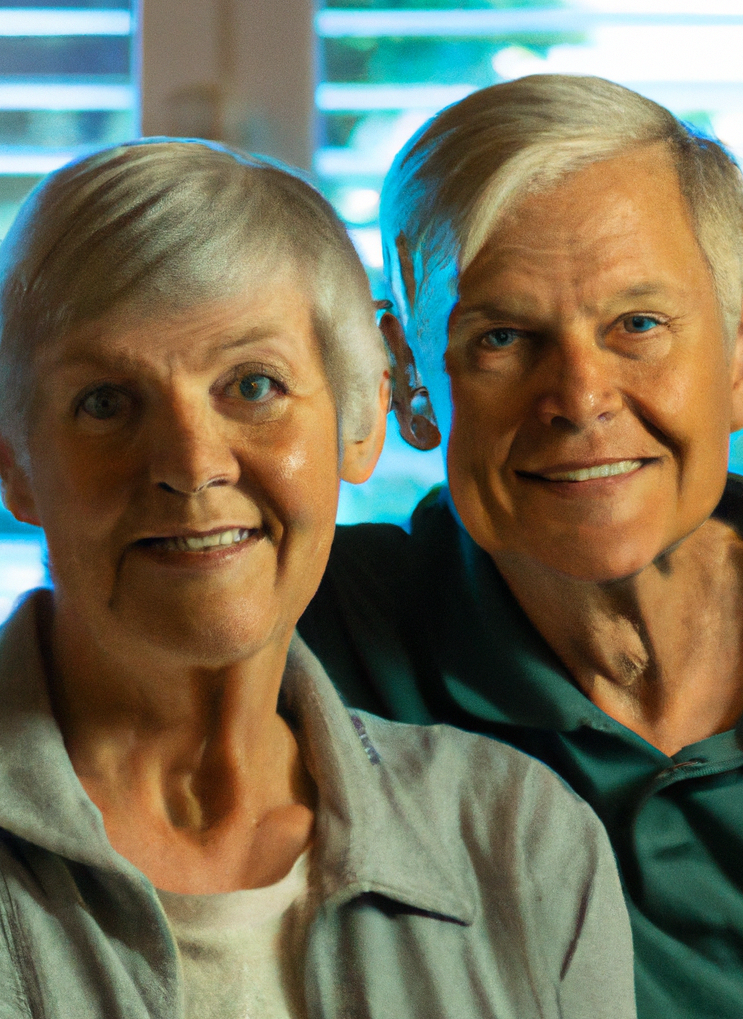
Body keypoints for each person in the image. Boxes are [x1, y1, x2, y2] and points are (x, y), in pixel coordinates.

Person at [298, 74, 743, 1018]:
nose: (580, 397)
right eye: (502, 337)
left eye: (637, 324)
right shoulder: (312, 645)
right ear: (408, 383)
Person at [0, 138, 636, 1019]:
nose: (190, 466)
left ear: (362, 417)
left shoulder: (523, 843)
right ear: (15, 461)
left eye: (253, 385)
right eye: (105, 402)